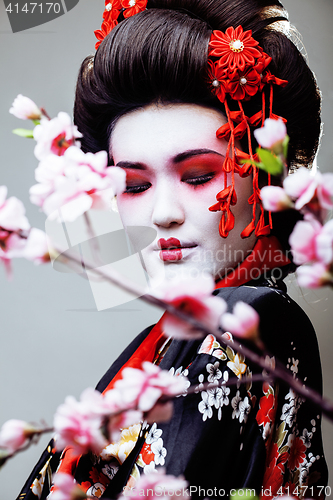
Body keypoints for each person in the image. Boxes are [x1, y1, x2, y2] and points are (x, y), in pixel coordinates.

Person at [18, 0, 328, 499]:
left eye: (200, 176)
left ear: (268, 176)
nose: (163, 213)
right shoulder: (178, 336)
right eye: (135, 185)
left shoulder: (242, 321)